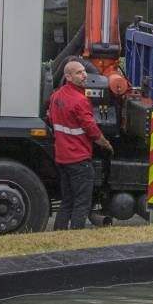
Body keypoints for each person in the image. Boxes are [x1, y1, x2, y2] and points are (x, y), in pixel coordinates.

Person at [48, 59, 113, 230]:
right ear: (68, 76)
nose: (84, 75)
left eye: (84, 71)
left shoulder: (55, 97)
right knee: (82, 203)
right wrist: (106, 144)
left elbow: (53, 120)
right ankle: (76, 240)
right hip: (79, 159)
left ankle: (59, 235)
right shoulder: (80, 101)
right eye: (79, 72)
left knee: (67, 201)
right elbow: (92, 130)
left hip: (62, 158)